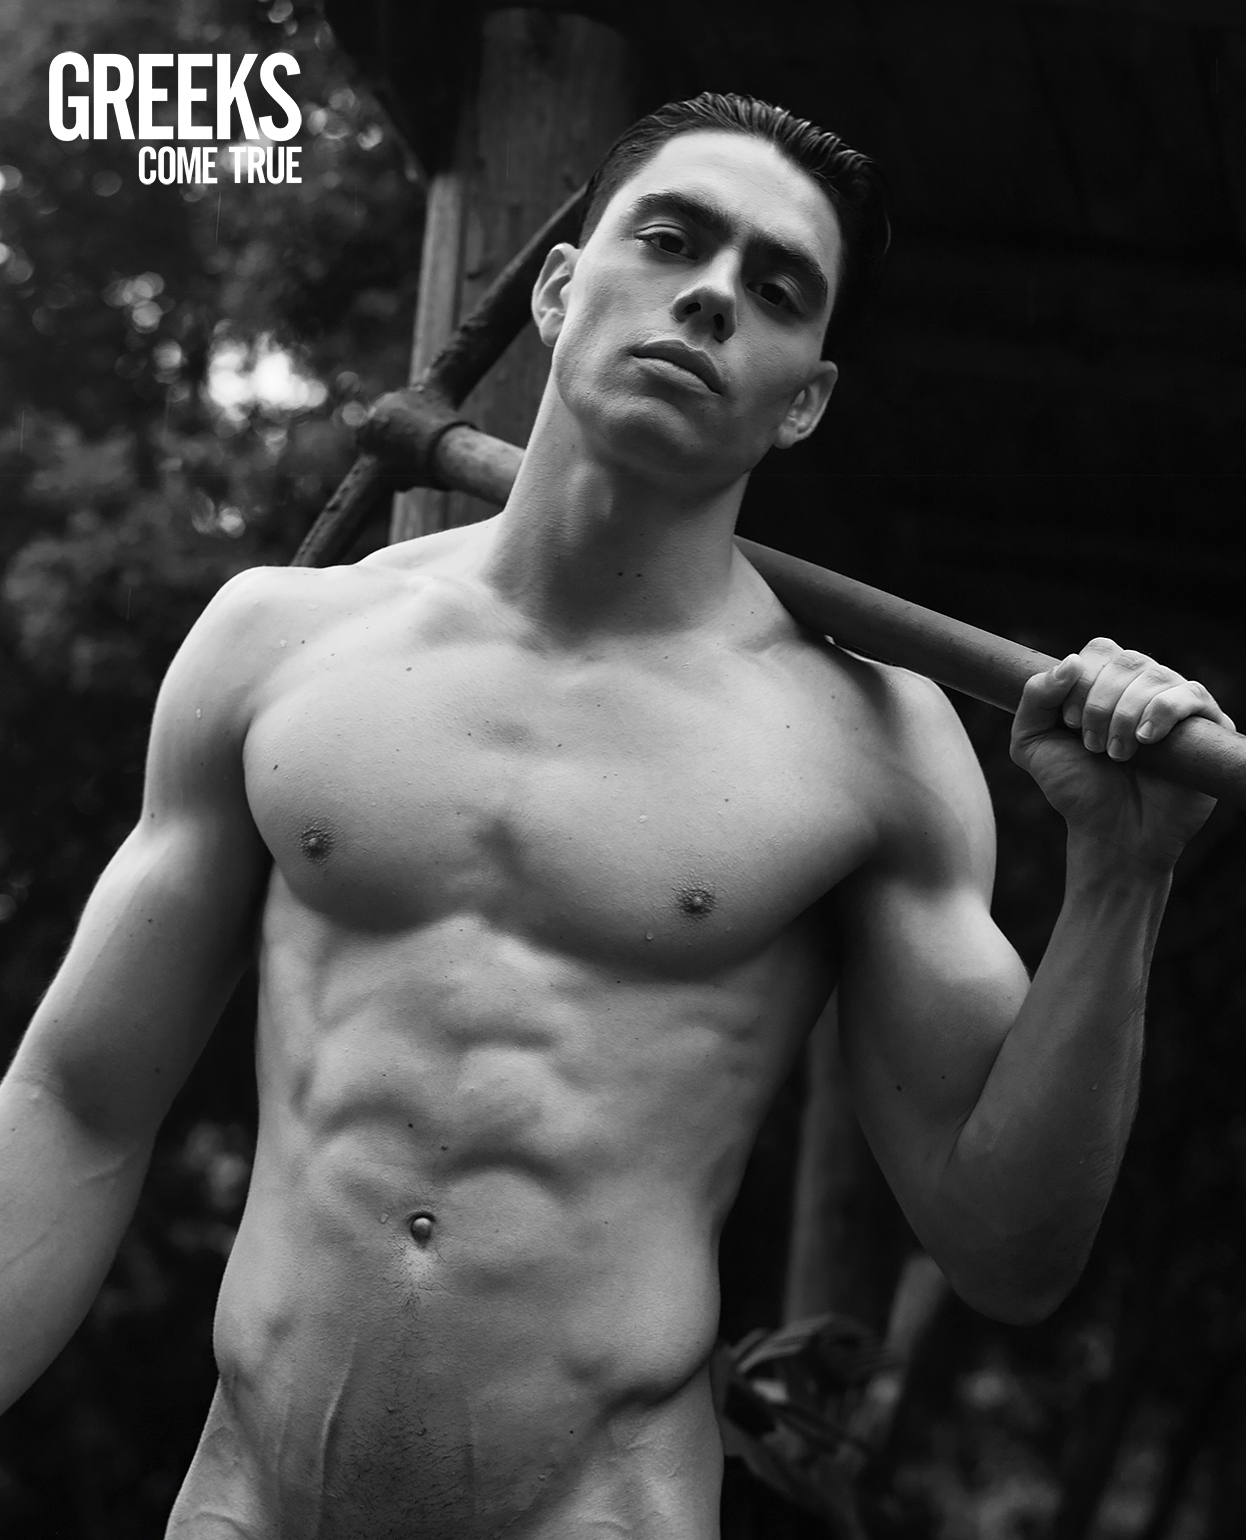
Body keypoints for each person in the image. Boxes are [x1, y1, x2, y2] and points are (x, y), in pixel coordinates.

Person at [0, 92, 1234, 1538]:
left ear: (804, 398)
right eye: (671, 238)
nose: (712, 294)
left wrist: (1120, 879)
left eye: (777, 289)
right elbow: (77, 1101)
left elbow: (1009, 1249)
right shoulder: (279, 641)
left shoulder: (872, 745)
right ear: (557, 286)